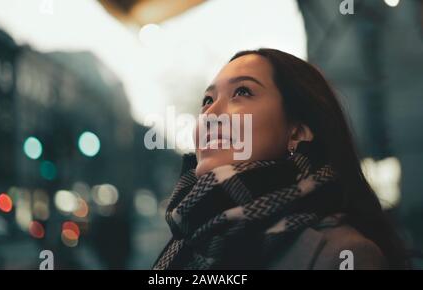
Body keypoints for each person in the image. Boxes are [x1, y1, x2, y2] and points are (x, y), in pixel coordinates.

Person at [152, 48, 408, 270]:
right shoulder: (188, 241)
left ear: (296, 131)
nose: (210, 113)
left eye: (242, 91)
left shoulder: (343, 254)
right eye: (207, 100)